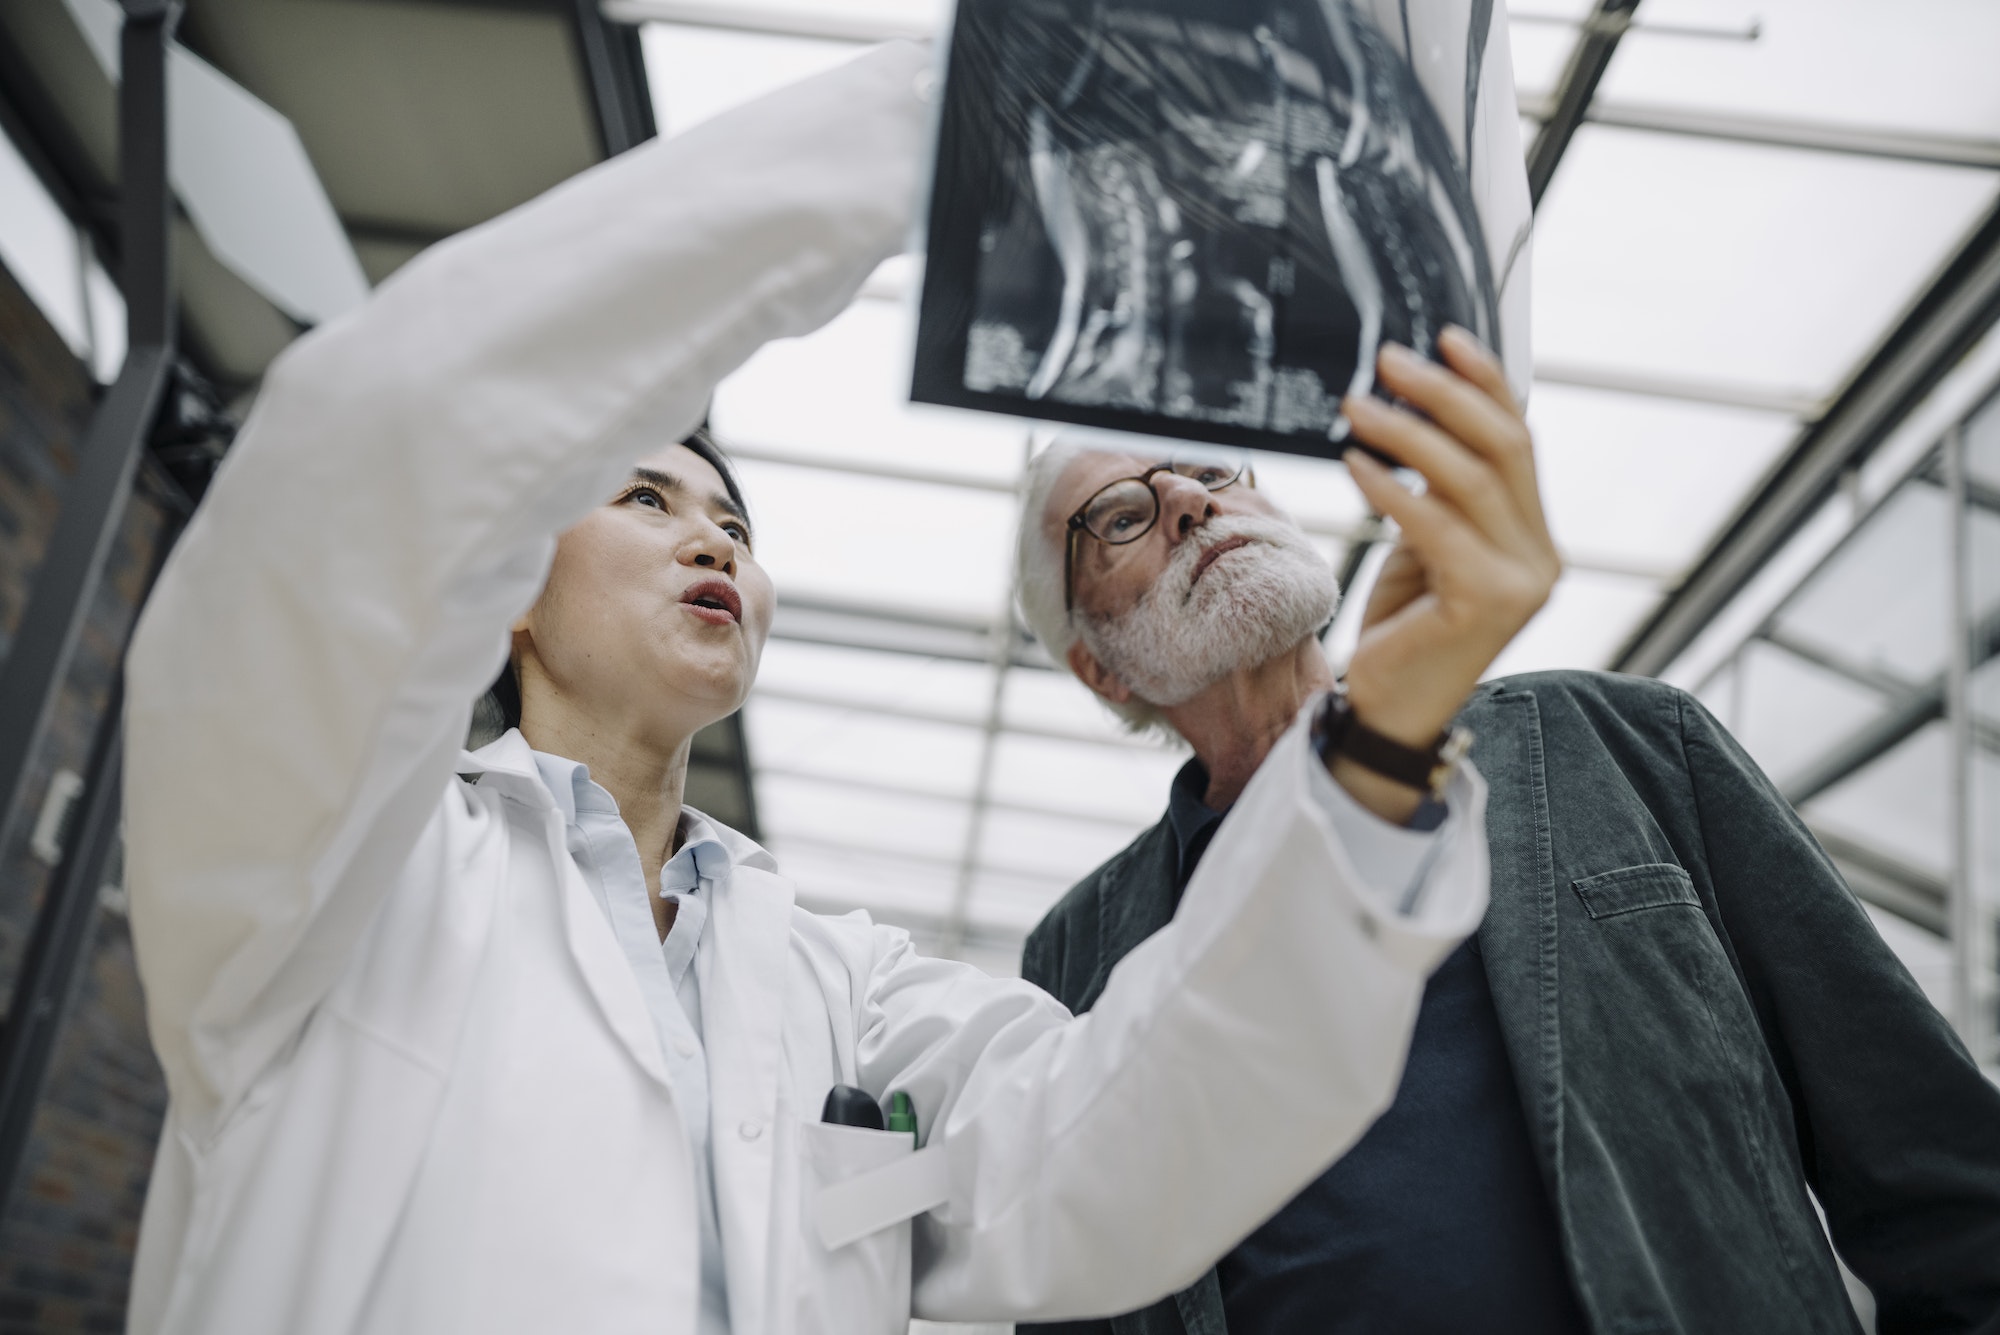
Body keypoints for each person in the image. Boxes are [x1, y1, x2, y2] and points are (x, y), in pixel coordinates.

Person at [117, 41, 1557, 1335]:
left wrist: (1378, 738)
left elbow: (1114, 1146)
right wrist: (981, 108)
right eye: (639, 492)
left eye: (736, 524)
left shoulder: (843, 984)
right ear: (503, 586)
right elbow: (371, 443)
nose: (710, 535)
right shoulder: (334, 883)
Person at [1013, 348, 2000, 1334]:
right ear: (1101, 668)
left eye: (1211, 467)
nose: (1188, 496)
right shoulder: (1075, 954)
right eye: (1122, 516)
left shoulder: (1620, 745)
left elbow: (1941, 1186)